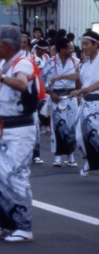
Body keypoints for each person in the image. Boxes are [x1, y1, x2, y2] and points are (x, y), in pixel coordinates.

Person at [0, 25, 39, 242]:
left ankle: (24, 227)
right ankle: (6, 223)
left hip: (18, 128)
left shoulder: (22, 63)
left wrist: (0, 77)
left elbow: (21, 84)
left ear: (6, 46)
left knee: (14, 175)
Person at [41, 37, 79, 166]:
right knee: (56, 126)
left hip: (71, 96)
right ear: (62, 49)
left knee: (71, 126)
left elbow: (79, 78)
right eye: (70, 47)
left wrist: (78, 94)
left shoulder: (76, 61)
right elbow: (42, 81)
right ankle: (57, 157)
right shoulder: (50, 62)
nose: (72, 49)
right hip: (56, 96)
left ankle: (71, 156)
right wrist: (50, 93)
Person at [70, 31, 99, 176]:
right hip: (86, 103)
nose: (84, 47)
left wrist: (82, 90)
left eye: (87, 44)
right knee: (79, 137)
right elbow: (78, 75)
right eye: (82, 44)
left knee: (96, 136)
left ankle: (94, 162)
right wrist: (59, 77)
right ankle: (90, 160)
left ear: (96, 44)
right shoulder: (85, 61)